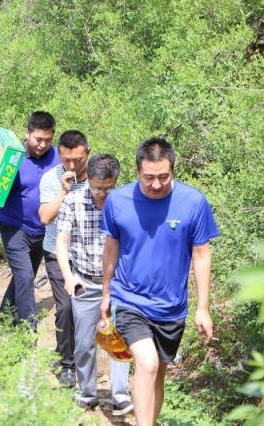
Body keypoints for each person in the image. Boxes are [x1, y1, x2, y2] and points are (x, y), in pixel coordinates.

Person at [100, 137, 219, 426]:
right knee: (147, 363)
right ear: (137, 171)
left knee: (157, 374)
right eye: (149, 177)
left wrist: (202, 307)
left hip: (171, 307)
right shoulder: (118, 201)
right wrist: (106, 293)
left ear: (173, 170)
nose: (156, 184)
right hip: (129, 299)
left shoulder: (193, 202)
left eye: (163, 177)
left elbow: (201, 255)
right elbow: (111, 248)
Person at [56, 154, 133, 416]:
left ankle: (120, 395)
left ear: (116, 182)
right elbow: (61, 242)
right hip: (85, 282)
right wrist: (69, 277)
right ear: (88, 179)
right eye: (97, 187)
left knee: (119, 340)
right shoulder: (73, 200)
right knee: (84, 342)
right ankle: (86, 393)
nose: (102, 193)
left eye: (107, 188)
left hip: (119, 284)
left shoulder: (125, 204)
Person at [0, 111, 59, 330]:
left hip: (42, 228)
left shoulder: (57, 157)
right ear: (27, 133)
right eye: (38, 139)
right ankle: (27, 330)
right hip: (14, 226)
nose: (43, 145)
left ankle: (5, 314)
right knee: (24, 276)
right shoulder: (13, 157)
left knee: (25, 275)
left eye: (48, 140)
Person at [38, 130, 90, 387]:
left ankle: (87, 359)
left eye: (77, 160)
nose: (71, 165)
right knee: (66, 307)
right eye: (66, 159)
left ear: (87, 154)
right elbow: (45, 217)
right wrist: (63, 192)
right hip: (56, 252)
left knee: (86, 308)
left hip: (90, 255)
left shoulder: (97, 177)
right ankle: (67, 364)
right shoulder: (51, 178)